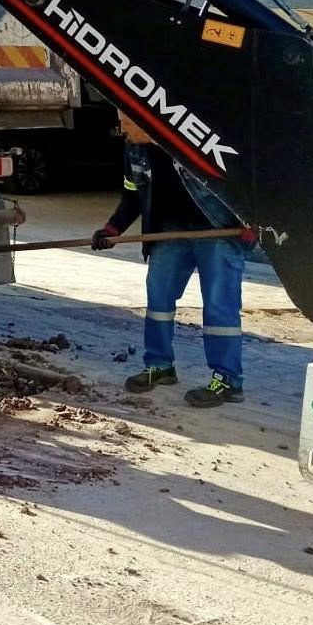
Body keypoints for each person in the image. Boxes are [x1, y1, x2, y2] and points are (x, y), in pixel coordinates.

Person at [92, 113, 252, 408]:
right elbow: (132, 196)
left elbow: (245, 177)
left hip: (216, 229)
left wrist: (251, 219)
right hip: (169, 229)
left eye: (127, 120)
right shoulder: (134, 149)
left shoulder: (193, 138)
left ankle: (228, 380)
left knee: (219, 306)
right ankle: (160, 365)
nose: (122, 127)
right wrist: (112, 229)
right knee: (158, 298)